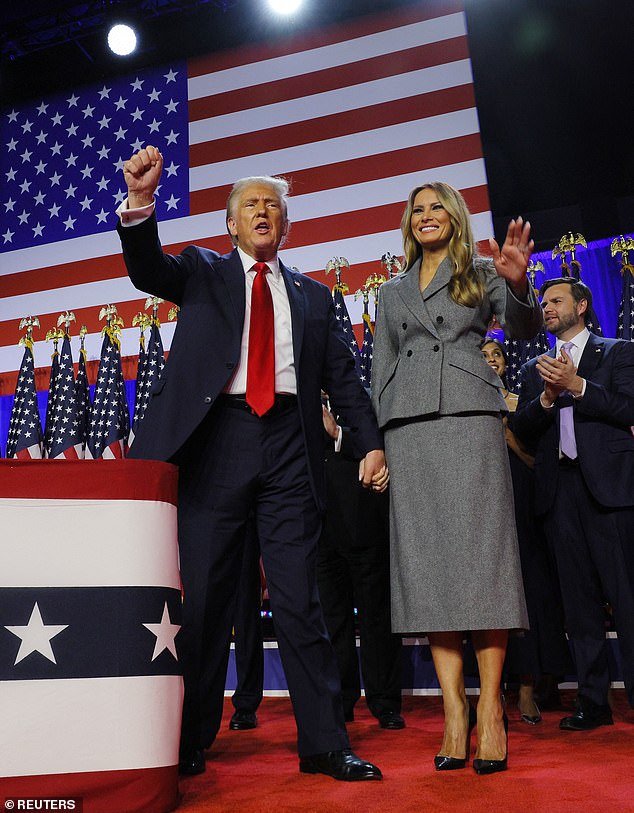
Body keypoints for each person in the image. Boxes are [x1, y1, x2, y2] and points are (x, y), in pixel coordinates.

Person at [117, 145, 389, 781]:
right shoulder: (203, 272)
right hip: (218, 442)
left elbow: (345, 381)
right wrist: (139, 201)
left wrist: (369, 441)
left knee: (300, 600)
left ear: (287, 226)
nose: (263, 213)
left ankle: (324, 742)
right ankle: (188, 739)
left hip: (293, 447)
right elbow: (147, 268)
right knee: (206, 601)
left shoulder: (317, 299)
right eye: (251, 206)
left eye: (274, 206)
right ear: (231, 225)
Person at [371, 182, 542, 775]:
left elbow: (523, 328)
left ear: (456, 216)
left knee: (482, 565)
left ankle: (490, 709)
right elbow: (381, 369)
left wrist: (519, 283)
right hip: (410, 432)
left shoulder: (482, 274)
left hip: (470, 421)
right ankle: (453, 712)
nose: (425, 217)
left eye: (435, 206)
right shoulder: (391, 294)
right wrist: (377, 442)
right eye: (416, 210)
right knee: (431, 574)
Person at [514, 277, 634, 731]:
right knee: (578, 605)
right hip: (558, 495)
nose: (546, 308)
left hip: (609, 491)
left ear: (581, 306)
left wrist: (578, 385)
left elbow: (629, 407)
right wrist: (547, 397)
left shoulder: (618, 351)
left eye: (555, 301)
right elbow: (522, 429)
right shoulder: (535, 369)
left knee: (627, 598)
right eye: (543, 302)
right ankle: (592, 701)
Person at [480, 338, 571, 725]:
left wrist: (511, 439)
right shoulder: (467, 410)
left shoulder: (524, 402)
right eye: (482, 356)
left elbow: (540, 462)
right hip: (483, 510)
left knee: (531, 594)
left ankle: (530, 688)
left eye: (496, 354)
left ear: (506, 362)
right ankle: (492, 691)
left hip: (523, 509)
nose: (490, 360)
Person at [319, 401, 404, 730]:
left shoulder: (362, 401)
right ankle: (340, 701)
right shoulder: (297, 404)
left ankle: (384, 702)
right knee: (332, 622)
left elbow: (381, 447)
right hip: (319, 532)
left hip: (365, 526)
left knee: (377, 620)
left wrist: (337, 433)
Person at [229, 521, 263, 732]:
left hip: (248, 513)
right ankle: (200, 704)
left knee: (245, 610)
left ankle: (246, 702)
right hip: (211, 508)